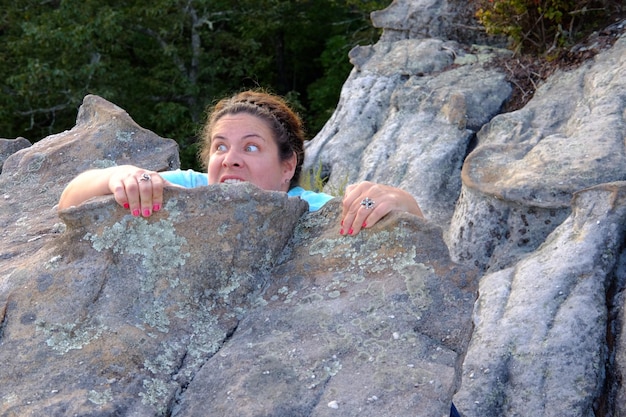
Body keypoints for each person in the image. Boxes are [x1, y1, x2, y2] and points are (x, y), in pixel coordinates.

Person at [58, 90, 423, 236]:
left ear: (286, 167)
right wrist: (120, 176)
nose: (230, 160)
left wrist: (399, 204)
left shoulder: (313, 212)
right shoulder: (187, 188)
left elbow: (408, 230)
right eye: (220, 147)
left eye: (250, 148)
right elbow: (70, 201)